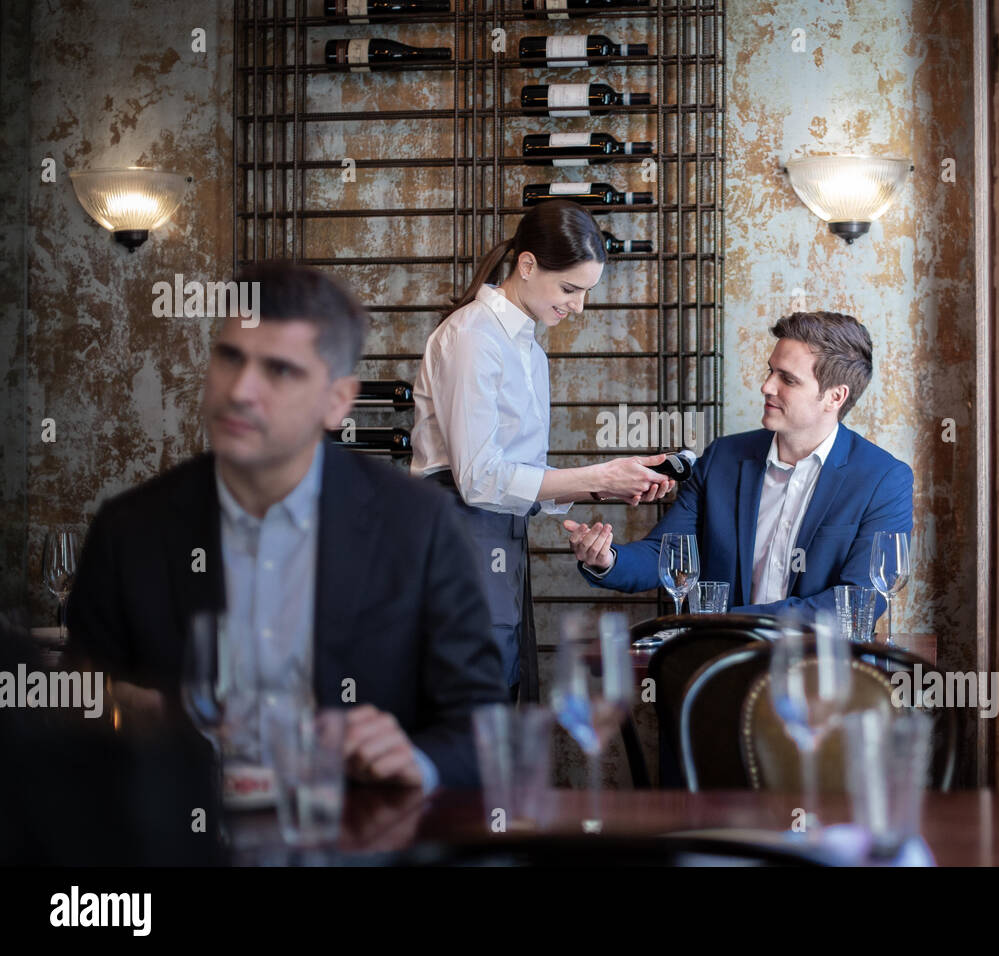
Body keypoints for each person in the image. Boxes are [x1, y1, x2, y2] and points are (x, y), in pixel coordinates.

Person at [66, 261, 506, 791]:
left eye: (279, 370)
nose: (242, 390)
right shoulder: (129, 529)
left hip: (358, 843)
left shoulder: (421, 527)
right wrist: (109, 714)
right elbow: (75, 718)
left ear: (337, 401)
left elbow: (486, 731)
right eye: (230, 357)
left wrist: (417, 760)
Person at [410, 200, 675, 702]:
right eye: (570, 290)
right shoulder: (472, 337)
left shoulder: (529, 349)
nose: (578, 307)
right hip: (454, 539)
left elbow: (518, 474)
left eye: (585, 293)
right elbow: (479, 478)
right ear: (527, 266)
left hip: (498, 540)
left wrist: (611, 485)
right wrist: (597, 475)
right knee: (472, 707)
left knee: (502, 698)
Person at [564, 311, 914, 621]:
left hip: (822, 675)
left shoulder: (883, 480)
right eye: (770, 371)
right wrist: (606, 558)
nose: (766, 387)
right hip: (721, 667)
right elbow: (667, 556)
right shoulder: (722, 458)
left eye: (787, 379)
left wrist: (730, 621)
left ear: (835, 397)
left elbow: (857, 602)